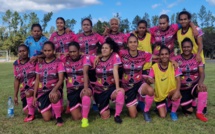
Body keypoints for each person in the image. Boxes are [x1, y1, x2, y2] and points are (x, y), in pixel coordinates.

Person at [119, 35, 155, 122]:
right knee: (133, 115)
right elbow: (110, 55)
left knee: (150, 90)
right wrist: (98, 56)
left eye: (135, 42)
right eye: (130, 42)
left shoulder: (144, 54)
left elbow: (156, 57)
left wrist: (172, 60)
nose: (133, 44)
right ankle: (134, 103)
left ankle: (146, 111)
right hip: (127, 86)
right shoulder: (122, 53)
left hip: (139, 82)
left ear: (137, 44)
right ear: (127, 44)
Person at [89, 37, 125, 124]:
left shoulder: (115, 57)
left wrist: (117, 88)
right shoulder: (95, 59)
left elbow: (115, 70)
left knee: (120, 92)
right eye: (103, 48)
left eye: (106, 48)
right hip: (99, 90)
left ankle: (117, 115)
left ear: (111, 50)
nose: (104, 50)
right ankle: (106, 107)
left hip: (110, 87)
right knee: (105, 117)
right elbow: (81, 57)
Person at [172, 38, 208, 122]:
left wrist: (200, 82)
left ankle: (199, 112)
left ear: (192, 47)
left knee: (202, 88)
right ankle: (194, 102)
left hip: (194, 85)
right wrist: (172, 61)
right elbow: (165, 58)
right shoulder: (176, 59)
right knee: (189, 111)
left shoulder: (197, 57)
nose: (186, 49)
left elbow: (202, 73)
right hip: (183, 88)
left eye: (188, 47)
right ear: (181, 47)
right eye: (184, 47)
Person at [60, 41, 92, 127]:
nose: (72, 54)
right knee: (76, 117)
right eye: (70, 52)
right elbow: (55, 58)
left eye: (74, 51)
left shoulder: (85, 58)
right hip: (71, 90)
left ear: (79, 50)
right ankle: (83, 106)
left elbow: (85, 72)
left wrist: (86, 88)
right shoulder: (65, 59)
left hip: (82, 86)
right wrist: (64, 56)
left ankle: (85, 119)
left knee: (85, 94)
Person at [33, 41, 65, 126]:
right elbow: (37, 80)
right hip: (42, 92)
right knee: (47, 118)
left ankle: (59, 118)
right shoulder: (39, 64)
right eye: (45, 50)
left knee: (53, 96)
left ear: (54, 50)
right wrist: (34, 96)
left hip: (54, 89)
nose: (47, 52)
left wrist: (54, 90)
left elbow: (61, 79)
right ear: (43, 51)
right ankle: (53, 107)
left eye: (49, 50)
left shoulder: (59, 62)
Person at [148, 46, 182, 121]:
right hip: (160, 95)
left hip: (170, 92)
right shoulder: (154, 67)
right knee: (163, 116)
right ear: (159, 56)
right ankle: (166, 105)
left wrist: (177, 91)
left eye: (166, 54)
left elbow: (179, 80)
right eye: (162, 54)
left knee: (178, 93)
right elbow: (149, 78)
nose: (164, 56)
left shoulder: (174, 65)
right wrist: (150, 79)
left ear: (169, 55)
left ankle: (173, 112)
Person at [13, 44, 36, 122]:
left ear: (28, 51)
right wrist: (15, 95)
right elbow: (17, 80)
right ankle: (34, 108)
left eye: (24, 51)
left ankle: (34, 111)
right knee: (26, 111)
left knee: (33, 110)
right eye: (20, 51)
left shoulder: (33, 61)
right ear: (18, 53)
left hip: (35, 89)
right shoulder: (16, 64)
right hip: (24, 91)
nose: (22, 53)